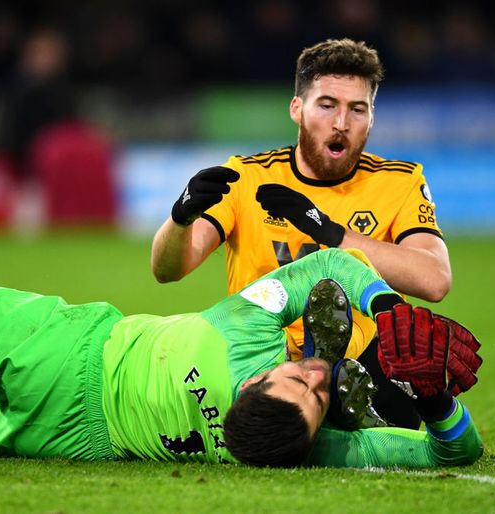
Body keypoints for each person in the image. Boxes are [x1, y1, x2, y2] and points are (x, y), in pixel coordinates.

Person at [0, 249, 480, 468]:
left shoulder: (243, 336)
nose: (318, 377)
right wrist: (438, 404)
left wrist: (388, 306)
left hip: (62, 353)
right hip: (75, 441)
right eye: (314, 384)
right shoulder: (311, 449)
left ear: (258, 381)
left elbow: (331, 260)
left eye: (305, 383)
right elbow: (452, 457)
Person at [151, 39, 450, 428]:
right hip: (260, 356)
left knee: (409, 376)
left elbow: (435, 279)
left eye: (357, 109)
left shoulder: (400, 182)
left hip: (359, 358)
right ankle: (323, 405)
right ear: (297, 109)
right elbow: (168, 269)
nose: (341, 123)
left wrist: (333, 235)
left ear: (372, 117)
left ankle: (330, 389)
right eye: (327, 105)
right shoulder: (249, 177)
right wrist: (179, 219)